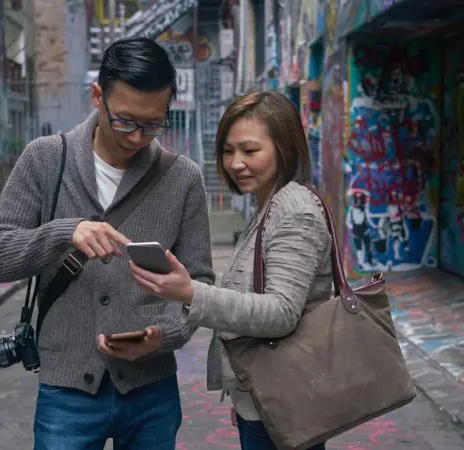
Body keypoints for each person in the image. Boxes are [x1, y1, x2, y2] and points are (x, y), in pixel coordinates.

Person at [0, 37, 215, 450]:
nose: (138, 137)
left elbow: (199, 283)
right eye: (125, 120)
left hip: (151, 391)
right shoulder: (46, 160)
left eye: (153, 124)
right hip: (66, 390)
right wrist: (64, 232)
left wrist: (164, 334)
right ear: (96, 96)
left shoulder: (183, 179)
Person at [128, 90, 333, 450]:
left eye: (250, 151)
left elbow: (281, 312)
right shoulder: (270, 204)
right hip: (267, 397)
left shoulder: (294, 211)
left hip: (285, 401)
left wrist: (190, 292)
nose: (235, 163)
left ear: (284, 147)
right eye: (227, 150)